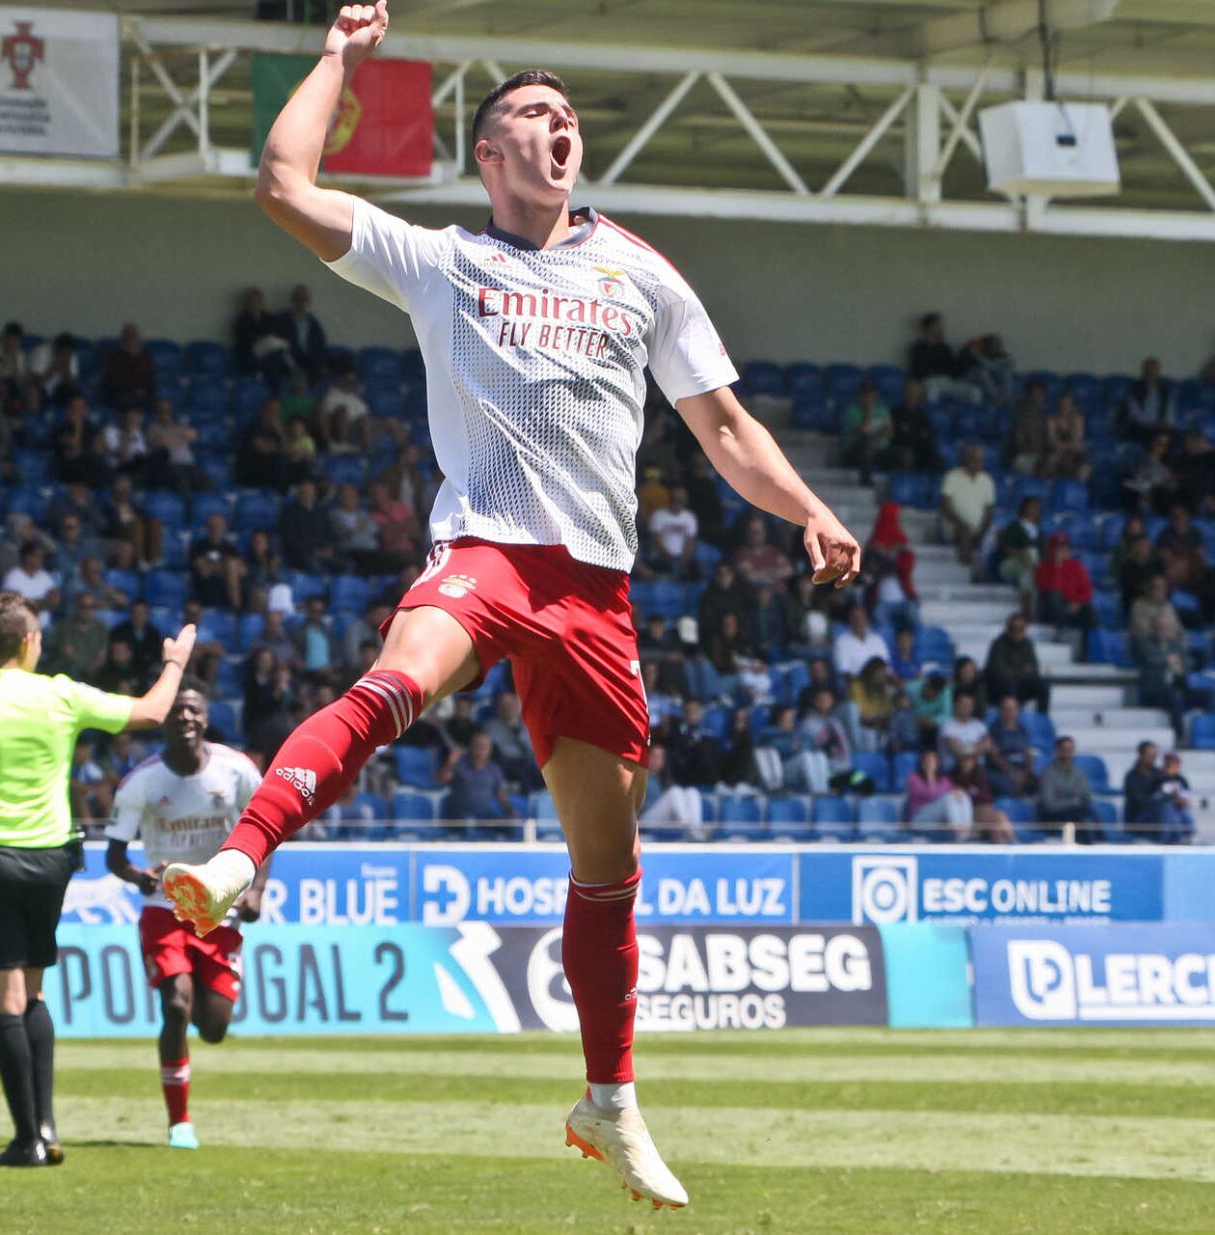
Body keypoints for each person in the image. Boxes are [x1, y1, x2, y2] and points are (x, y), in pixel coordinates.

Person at [160, 14, 860, 1211]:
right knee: (396, 682)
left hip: (595, 591)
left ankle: (611, 1101)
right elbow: (281, 183)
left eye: (567, 117)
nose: (560, 126)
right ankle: (242, 851)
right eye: (534, 116)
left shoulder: (639, 272)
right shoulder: (442, 262)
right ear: (488, 155)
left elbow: (726, 430)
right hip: (488, 549)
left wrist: (808, 508)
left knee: (608, 869)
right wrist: (337, 56)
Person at [0, 593, 196, 1168]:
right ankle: (46, 1126)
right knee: (34, 992)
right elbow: (153, 713)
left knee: (5, 1002)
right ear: (31, 642)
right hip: (54, 861)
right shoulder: (62, 694)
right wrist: (175, 662)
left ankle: (25, 1140)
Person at [104, 688, 267, 1150]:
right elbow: (114, 855)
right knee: (175, 1006)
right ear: (165, 721)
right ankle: (180, 1122)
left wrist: (256, 889)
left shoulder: (236, 771)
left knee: (213, 1028)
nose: (185, 716)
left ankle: (196, 997)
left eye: (194, 709)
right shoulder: (141, 782)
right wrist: (139, 877)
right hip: (164, 908)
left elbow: (268, 832)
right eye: (177, 710)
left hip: (220, 907)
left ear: (207, 718)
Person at [938, 445, 995, 568]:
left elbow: (989, 511)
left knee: (996, 535)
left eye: (980, 460)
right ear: (965, 460)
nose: (977, 463)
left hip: (979, 526)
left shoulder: (987, 480)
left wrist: (982, 530)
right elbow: (945, 507)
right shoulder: (952, 476)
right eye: (973, 459)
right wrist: (962, 523)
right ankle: (966, 571)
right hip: (953, 523)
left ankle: (985, 575)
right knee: (965, 532)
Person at [1037, 736, 1099, 844]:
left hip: (1077, 813)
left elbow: (1085, 797)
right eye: (1064, 750)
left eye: (1070, 750)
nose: (1068, 753)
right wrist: (1072, 802)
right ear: (1058, 751)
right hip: (1055, 816)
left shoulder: (1079, 774)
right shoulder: (1048, 774)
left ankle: (1097, 844)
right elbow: (1049, 805)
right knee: (1080, 818)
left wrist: (1076, 803)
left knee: (1089, 814)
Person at [904, 747, 971, 839]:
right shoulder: (914, 778)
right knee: (948, 798)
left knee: (963, 796)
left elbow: (954, 795)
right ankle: (958, 832)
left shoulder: (944, 780)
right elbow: (930, 795)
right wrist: (929, 774)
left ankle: (965, 831)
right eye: (927, 760)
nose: (930, 763)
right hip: (919, 819)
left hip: (937, 820)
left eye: (933, 760)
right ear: (922, 762)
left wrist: (958, 792)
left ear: (937, 763)